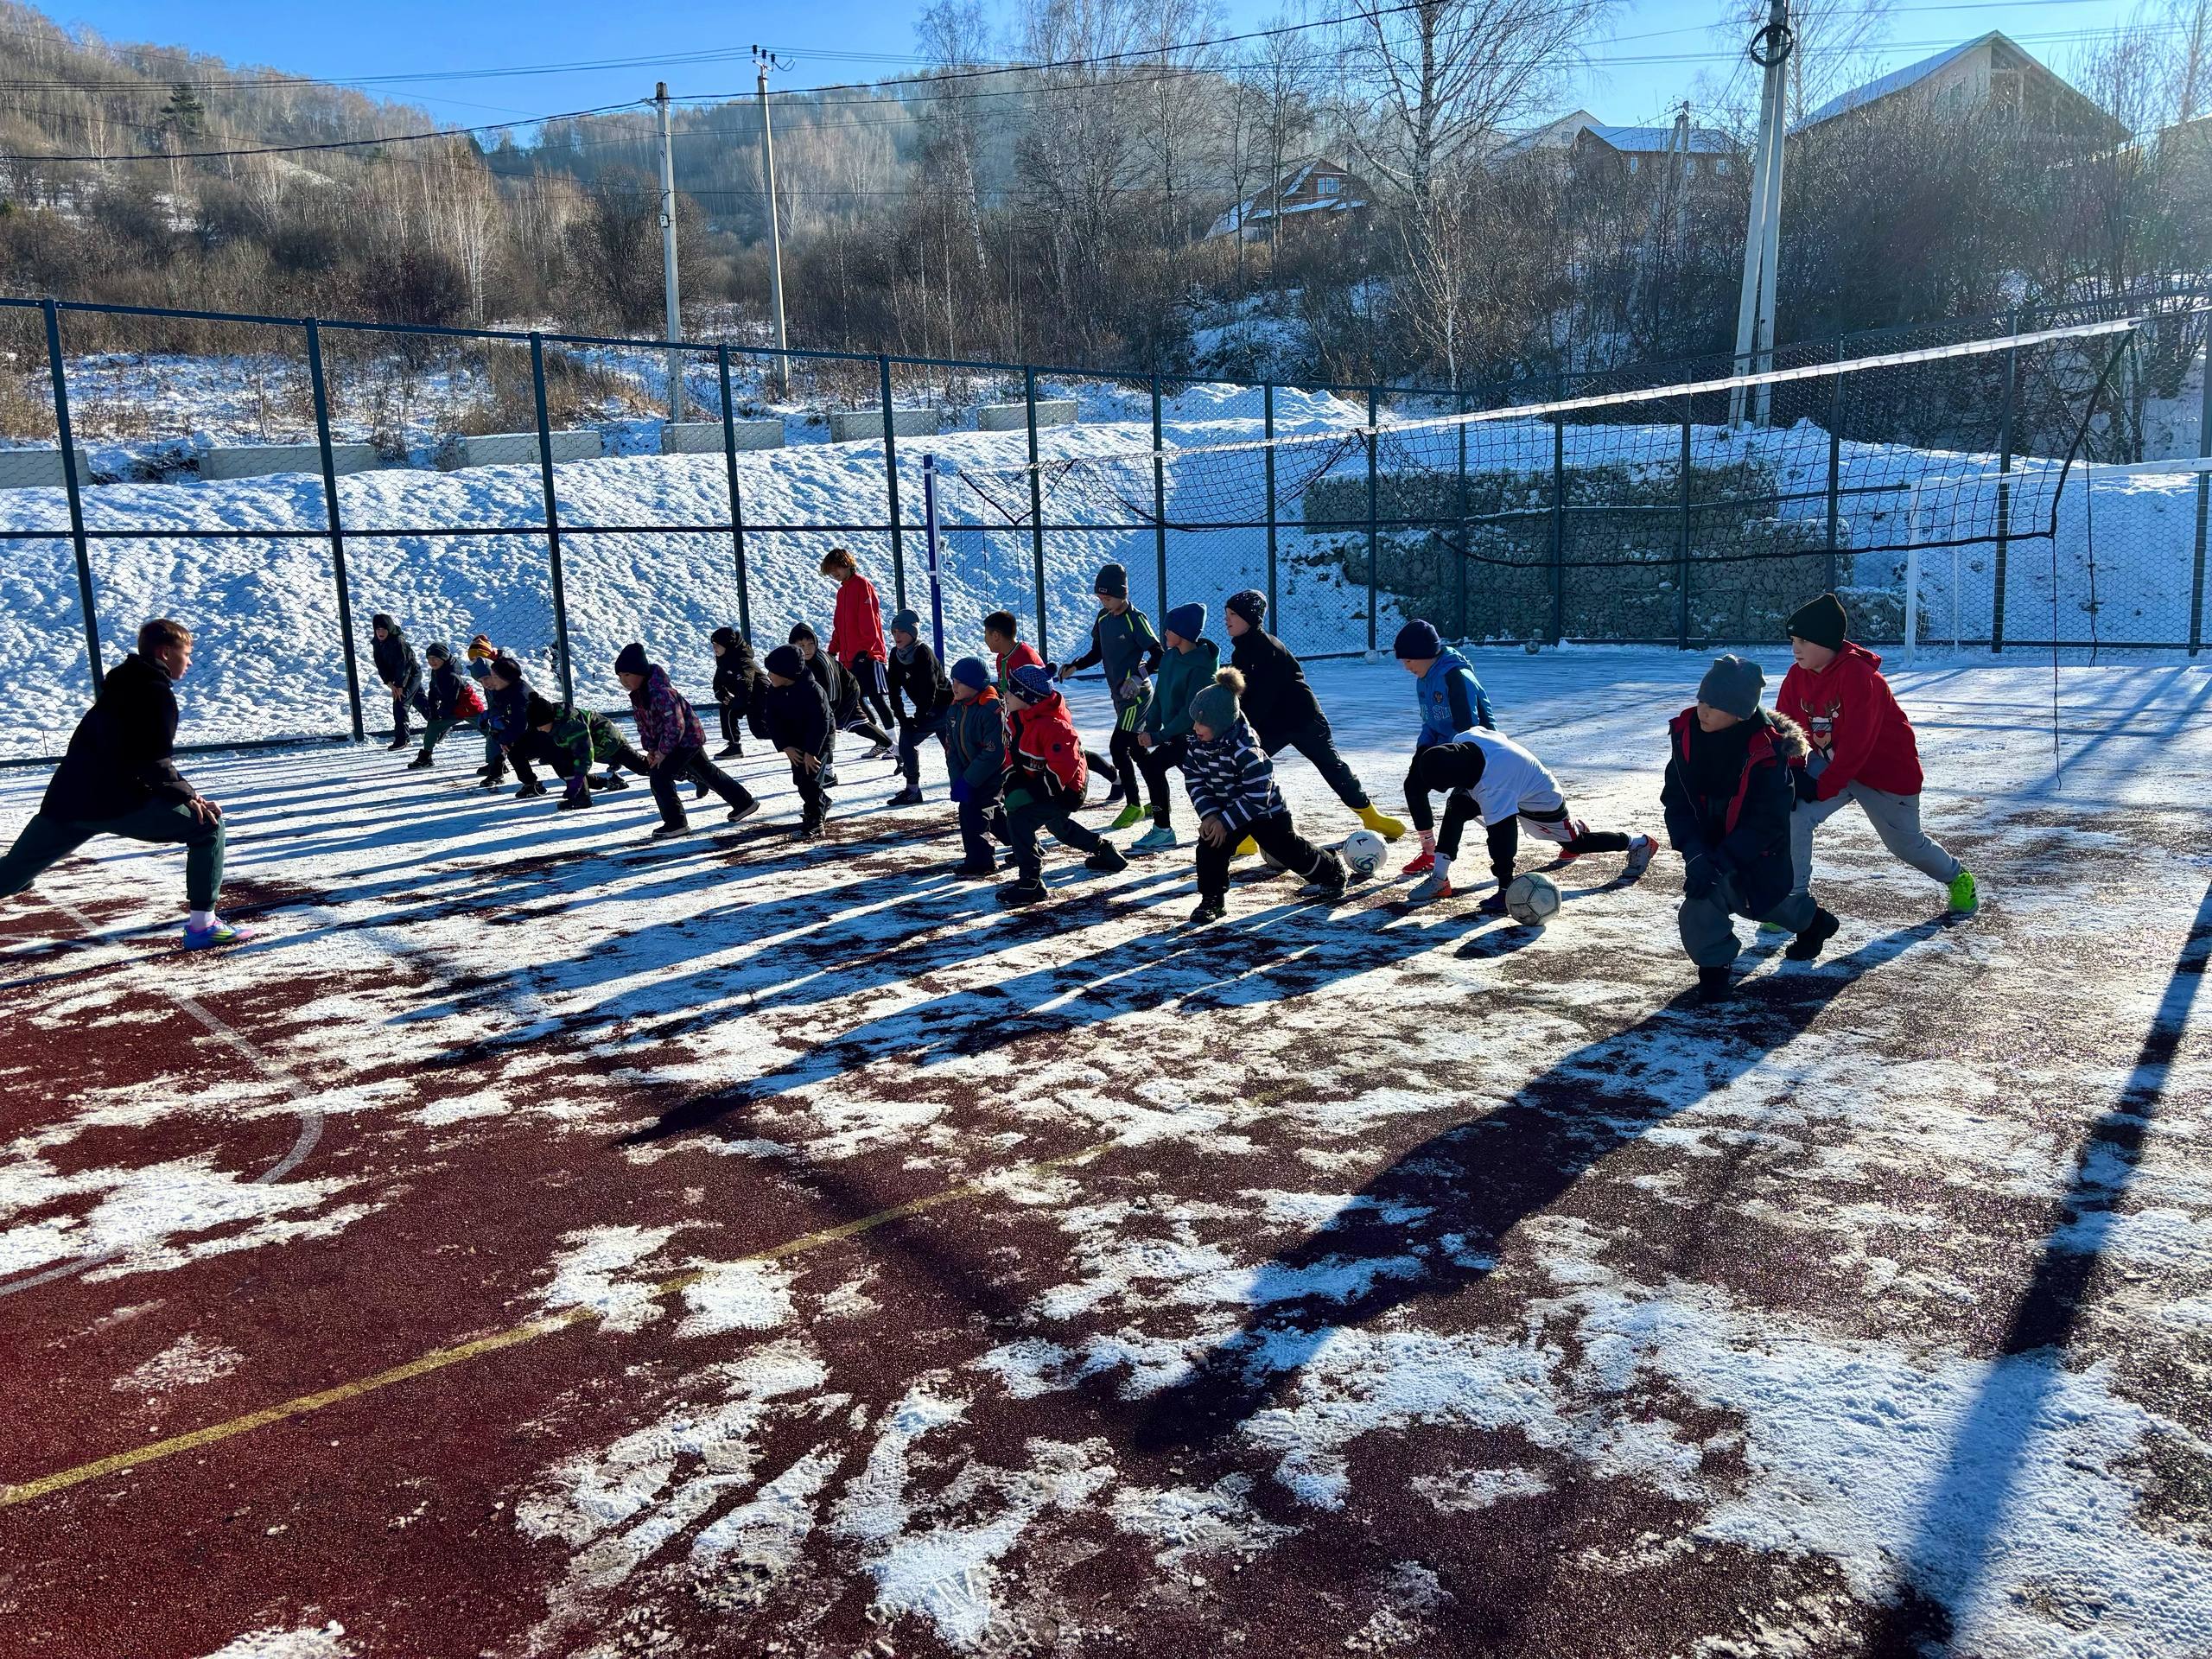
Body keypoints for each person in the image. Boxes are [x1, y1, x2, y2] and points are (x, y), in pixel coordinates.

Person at [0, 618, 247, 950]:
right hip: (119, 803)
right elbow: (153, 762)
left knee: (11, 875)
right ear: (164, 653)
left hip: (68, 800)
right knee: (208, 828)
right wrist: (191, 798)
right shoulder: (156, 694)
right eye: (185, 653)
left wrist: (185, 794)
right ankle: (203, 926)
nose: (189, 661)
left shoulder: (119, 686)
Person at [1777, 592, 1979, 918]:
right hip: (1834, 767)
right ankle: (1792, 900)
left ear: (1826, 642)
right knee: (1795, 816)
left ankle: (1957, 876)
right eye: (1793, 640)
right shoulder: (1796, 675)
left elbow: (1859, 745)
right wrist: (1794, 771)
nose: (1795, 648)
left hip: (1885, 773)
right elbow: (1788, 728)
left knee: (1906, 846)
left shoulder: (1861, 677)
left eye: (1803, 640)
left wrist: (1822, 785)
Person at [1662, 654, 1840, 1002]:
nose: (1704, 711)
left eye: (1715, 705)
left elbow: (1766, 822)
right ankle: (1715, 968)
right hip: (1709, 849)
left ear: (1741, 713)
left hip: (1758, 855)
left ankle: (1816, 923)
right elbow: (1677, 801)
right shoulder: (1686, 737)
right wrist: (1697, 854)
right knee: (1699, 905)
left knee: (1769, 906)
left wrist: (1721, 861)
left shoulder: (1768, 754)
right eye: (1701, 701)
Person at [1225, 589, 1404, 842]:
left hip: (1303, 718)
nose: (1227, 619)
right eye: (1227, 614)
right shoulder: (1240, 651)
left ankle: (1371, 816)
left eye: (1233, 614)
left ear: (1250, 617)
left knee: (1332, 767)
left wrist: (1242, 729)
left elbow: (1264, 698)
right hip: (1274, 723)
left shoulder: (1268, 648)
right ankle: (1248, 836)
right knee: (1246, 769)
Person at [1406, 731, 1657, 911]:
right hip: (1516, 785)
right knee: (1457, 804)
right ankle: (1440, 879)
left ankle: (1639, 843)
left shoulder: (1495, 786)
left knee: (1576, 845)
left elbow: (1503, 838)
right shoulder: (1464, 739)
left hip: (1542, 801)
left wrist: (1506, 888)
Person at [1181, 667, 1346, 925]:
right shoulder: (1197, 744)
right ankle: (1212, 900)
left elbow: (1258, 795)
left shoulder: (1247, 749)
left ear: (1221, 723)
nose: (1195, 727)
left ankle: (1330, 870)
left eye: (1202, 723)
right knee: (1210, 845)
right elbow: (1194, 779)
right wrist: (1211, 815)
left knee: (1288, 850)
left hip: (1264, 811)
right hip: (1225, 810)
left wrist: (1226, 821)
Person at [999, 663, 1128, 907]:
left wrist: (1032, 791)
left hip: (1066, 789)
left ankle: (1031, 883)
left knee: (1020, 819)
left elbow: (1064, 769)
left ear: (1028, 697)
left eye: (1011, 690)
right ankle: (1105, 852)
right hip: (1039, 781)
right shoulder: (1016, 718)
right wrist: (1013, 780)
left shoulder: (1054, 727)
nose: (1005, 693)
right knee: (1058, 826)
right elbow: (1009, 754)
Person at [613, 642, 759, 840]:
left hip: (685, 740)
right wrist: (651, 750)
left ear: (640, 672)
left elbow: (675, 725)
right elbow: (644, 726)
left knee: (659, 776)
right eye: (620, 676)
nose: (624, 680)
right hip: (677, 741)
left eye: (627, 675)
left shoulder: (661, 693)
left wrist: (663, 752)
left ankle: (676, 823)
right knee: (707, 772)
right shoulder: (639, 695)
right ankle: (744, 802)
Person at [1392, 619, 1497, 876]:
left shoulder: (1456, 677)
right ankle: (1430, 853)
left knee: (1465, 805)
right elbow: (1430, 721)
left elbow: (1468, 730)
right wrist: (1423, 750)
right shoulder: (1425, 678)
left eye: (1408, 660)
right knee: (1413, 784)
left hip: (1479, 752)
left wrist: (1440, 759)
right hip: (1445, 746)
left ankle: (1570, 833)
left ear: (1424, 654)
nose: (1406, 667)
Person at [1055, 562, 1163, 812]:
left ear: (1121, 594)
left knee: (1117, 746)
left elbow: (1159, 654)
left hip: (1137, 697)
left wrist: (1137, 677)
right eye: (1100, 596)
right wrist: (1075, 665)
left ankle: (1133, 804)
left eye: (1107, 596)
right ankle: (1158, 801)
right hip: (1119, 696)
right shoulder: (1103, 617)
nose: (1102, 600)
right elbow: (1098, 652)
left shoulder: (1136, 619)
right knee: (1137, 751)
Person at [985, 609, 1113, 798]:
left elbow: (1038, 692)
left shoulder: (1025, 657)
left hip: (1038, 717)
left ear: (996, 635)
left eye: (986, 634)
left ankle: (1114, 777)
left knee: (1068, 753)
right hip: (1019, 715)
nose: (985, 639)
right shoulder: (1001, 657)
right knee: (1026, 753)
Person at [1126, 601, 1218, 851]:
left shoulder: (1202, 667)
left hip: (1194, 736)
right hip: (1174, 734)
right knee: (1194, 779)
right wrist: (1148, 730)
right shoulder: (1169, 658)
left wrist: (1158, 736)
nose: (1164, 633)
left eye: (1169, 629)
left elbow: (1191, 713)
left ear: (1184, 633)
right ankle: (1164, 830)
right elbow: (1160, 698)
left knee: (1201, 781)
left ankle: (1167, 830)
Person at [790, 622, 893, 787]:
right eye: (801, 645)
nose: (807, 649)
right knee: (853, 726)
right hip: (824, 701)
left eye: (811, 644)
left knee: (843, 728)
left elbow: (834, 690)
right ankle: (830, 773)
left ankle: (896, 750)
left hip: (846, 694)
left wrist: (830, 716)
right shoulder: (794, 661)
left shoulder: (823, 661)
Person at [524, 692, 652, 811]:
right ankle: (581, 799)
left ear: (548, 720)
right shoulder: (554, 722)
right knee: (566, 763)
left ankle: (669, 771)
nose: (539, 730)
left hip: (609, 742)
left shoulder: (571, 726)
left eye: (540, 726)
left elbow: (584, 756)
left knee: (642, 767)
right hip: (595, 745)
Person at [759, 644, 834, 839]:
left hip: (818, 741)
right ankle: (822, 802)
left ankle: (815, 820)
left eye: (772, 671)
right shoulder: (775, 691)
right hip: (795, 742)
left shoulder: (812, 690)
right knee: (800, 779)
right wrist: (785, 746)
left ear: (787, 673)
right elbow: (773, 721)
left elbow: (821, 723)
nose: (769, 675)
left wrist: (811, 752)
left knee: (811, 779)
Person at [823, 547, 899, 737]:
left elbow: (870, 620)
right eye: (831, 571)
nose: (834, 574)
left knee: (877, 698)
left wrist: (867, 650)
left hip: (869, 656)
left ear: (847, 564)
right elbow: (839, 625)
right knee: (855, 698)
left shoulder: (862, 585)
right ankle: (880, 739)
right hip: (849, 659)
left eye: (836, 569)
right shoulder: (842, 593)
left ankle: (893, 742)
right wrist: (833, 650)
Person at [944, 657, 1008, 876]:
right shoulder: (955, 709)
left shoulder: (990, 709)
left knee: (973, 811)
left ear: (975, 684)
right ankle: (1024, 844)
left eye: (959, 682)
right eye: (953, 680)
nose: (954, 686)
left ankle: (981, 860)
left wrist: (969, 781)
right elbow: (951, 749)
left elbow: (993, 753)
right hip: (967, 773)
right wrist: (958, 781)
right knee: (992, 813)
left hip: (992, 775)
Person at [886, 608, 954, 806]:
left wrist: (919, 718)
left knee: (953, 752)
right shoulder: (895, 655)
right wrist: (901, 717)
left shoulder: (923, 653)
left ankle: (965, 788)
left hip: (944, 708)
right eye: (894, 632)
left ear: (912, 633)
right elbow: (893, 688)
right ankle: (913, 791)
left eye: (902, 631)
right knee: (907, 740)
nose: (897, 636)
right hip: (927, 711)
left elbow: (929, 688)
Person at [404, 643, 487, 771]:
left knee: (490, 731)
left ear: (444, 657)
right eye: (429, 658)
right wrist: (433, 711)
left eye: (435, 658)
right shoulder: (437, 671)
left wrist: (440, 714)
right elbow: (433, 691)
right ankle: (426, 756)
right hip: (453, 707)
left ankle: (499, 759)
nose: (432, 661)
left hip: (468, 707)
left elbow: (451, 699)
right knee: (433, 725)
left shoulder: (451, 675)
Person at [478, 655, 543, 797]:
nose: (491, 680)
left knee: (513, 750)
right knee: (507, 745)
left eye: (494, 677)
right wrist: (487, 715)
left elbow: (520, 725)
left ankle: (532, 785)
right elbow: (501, 708)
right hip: (535, 733)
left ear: (505, 677)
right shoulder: (508, 689)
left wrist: (504, 739)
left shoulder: (518, 695)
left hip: (544, 735)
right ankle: (532, 784)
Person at [371, 613, 423, 752]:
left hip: (411, 676)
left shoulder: (399, 642)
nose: (380, 632)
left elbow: (404, 665)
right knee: (421, 703)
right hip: (397, 679)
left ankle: (402, 738)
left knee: (400, 703)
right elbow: (381, 665)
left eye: (384, 629)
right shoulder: (377, 643)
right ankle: (440, 725)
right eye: (378, 629)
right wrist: (389, 683)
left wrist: (399, 685)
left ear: (390, 629)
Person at [710, 626, 762, 760]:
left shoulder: (743, 661)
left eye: (717, 645)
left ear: (728, 645)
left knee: (762, 730)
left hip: (762, 698)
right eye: (713, 644)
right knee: (727, 709)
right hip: (746, 698)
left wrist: (737, 701)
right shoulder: (723, 661)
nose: (714, 648)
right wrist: (723, 696)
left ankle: (794, 740)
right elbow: (717, 684)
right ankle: (734, 747)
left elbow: (746, 683)